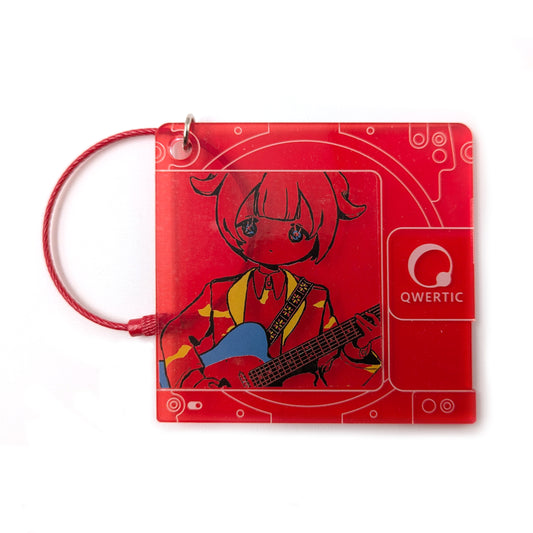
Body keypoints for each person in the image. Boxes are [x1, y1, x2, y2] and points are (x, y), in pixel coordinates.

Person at [160, 171, 381, 389]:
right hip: (220, 400)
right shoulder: (218, 292)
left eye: (295, 232)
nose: (272, 241)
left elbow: (333, 382)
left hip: (295, 408)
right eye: (250, 226)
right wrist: (194, 383)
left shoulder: (316, 299)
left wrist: (357, 351)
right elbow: (176, 336)